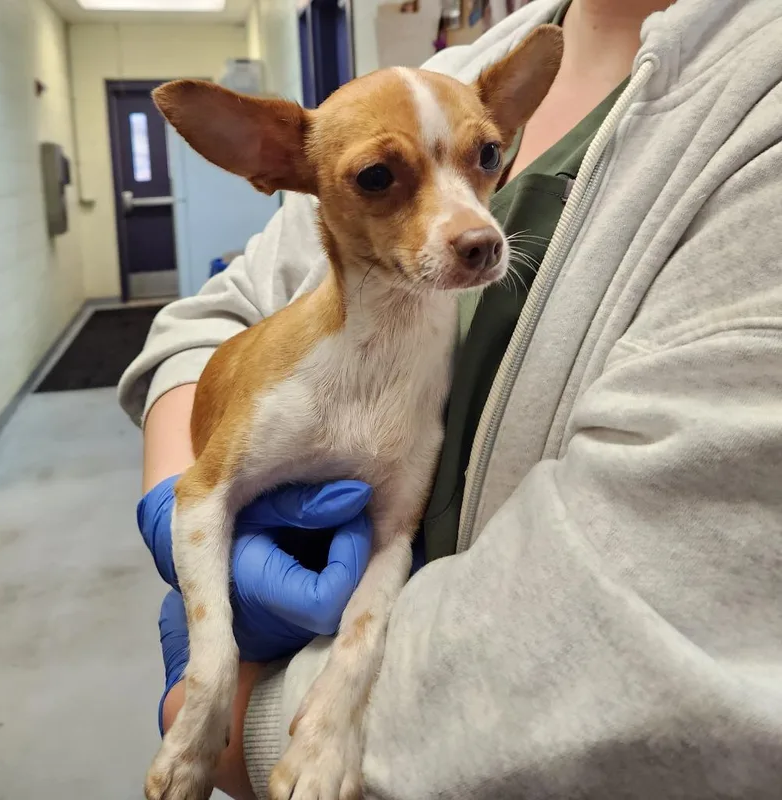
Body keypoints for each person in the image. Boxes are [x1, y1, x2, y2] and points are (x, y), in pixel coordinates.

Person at [119, 0, 782, 797]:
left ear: (501, 134)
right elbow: (209, 316)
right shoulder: (443, 82)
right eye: (378, 179)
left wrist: (253, 730)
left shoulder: (752, 108)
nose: (473, 223)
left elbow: (651, 657)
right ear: (276, 163)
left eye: (486, 160)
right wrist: (182, 498)